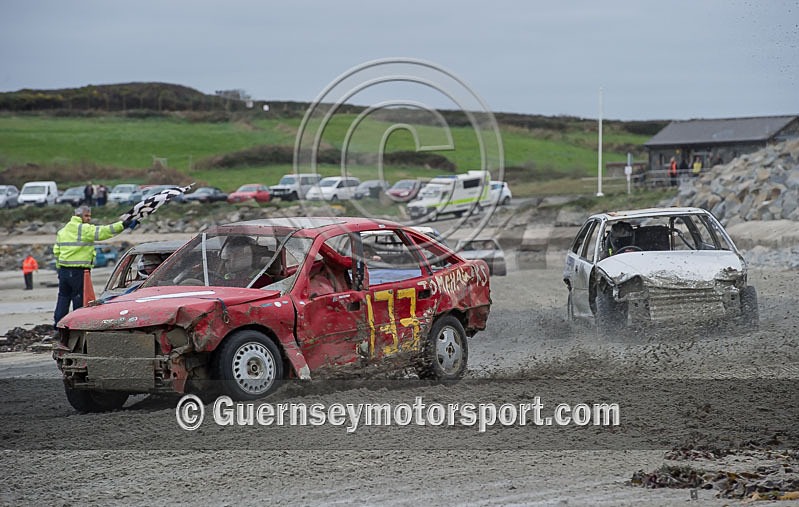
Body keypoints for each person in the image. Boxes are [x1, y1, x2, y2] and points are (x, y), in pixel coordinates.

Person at [52, 205, 135, 330]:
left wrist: (59, 268)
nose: (89, 218)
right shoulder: (83, 229)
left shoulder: (63, 231)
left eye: (90, 216)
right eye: (87, 216)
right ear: (79, 216)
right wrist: (122, 225)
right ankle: (77, 326)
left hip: (64, 271)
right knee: (79, 299)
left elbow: (57, 251)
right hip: (79, 271)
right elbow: (104, 232)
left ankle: (58, 326)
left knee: (63, 298)